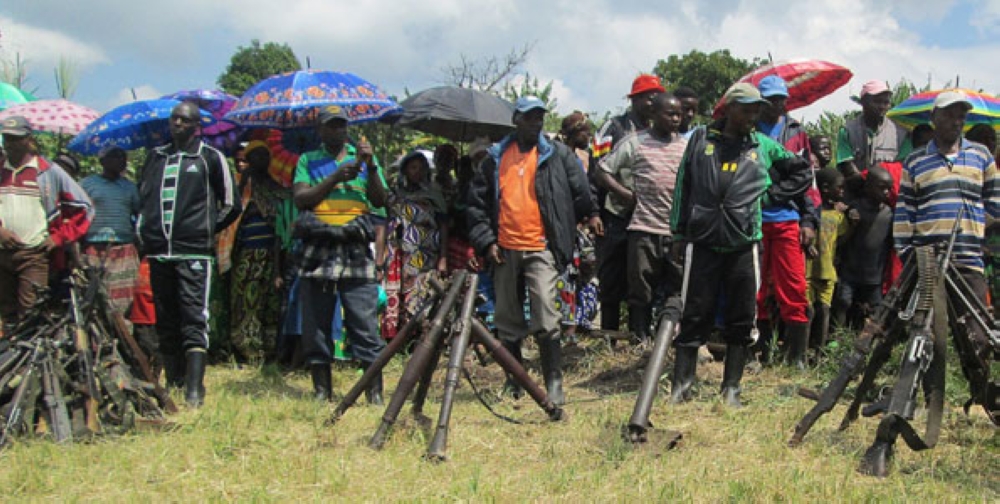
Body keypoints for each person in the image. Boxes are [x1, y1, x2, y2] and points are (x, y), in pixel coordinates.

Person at [669, 83, 811, 407]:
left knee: (741, 316)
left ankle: (731, 387)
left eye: (755, 110)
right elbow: (683, 184)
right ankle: (682, 385)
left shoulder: (763, 145)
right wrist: (678, 232)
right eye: (746, 109)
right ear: (729, 109)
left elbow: (802, 171)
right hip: (702, 241)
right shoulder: (700, 140)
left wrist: (770, 194)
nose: (752, 115)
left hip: (744, 244)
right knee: (694, 313)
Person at [467, 96, 602, 405]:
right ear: (516, 120)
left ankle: (553, 381)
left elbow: (581, 191)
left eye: (540, 116)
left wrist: (579, 221)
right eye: (529, 117)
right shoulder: (496, 157)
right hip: (504, 248)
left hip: (542, 246)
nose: (536, 122)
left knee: (546, 313)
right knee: (508, 318)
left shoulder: (557, 155)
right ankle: (515, 380)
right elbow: (476, 205)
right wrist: (487, 242)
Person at [138, 102, 241, 407]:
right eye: (174, 119)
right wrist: (147, 233)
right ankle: (175, 381)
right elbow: (144, 199)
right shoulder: (155, 158)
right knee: (166, 319)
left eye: (185, 120)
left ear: (197, 126)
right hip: (159, 253)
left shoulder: (210, 157)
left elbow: (230, 203)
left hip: (194, 252)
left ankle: (195, 389)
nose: (178, 124)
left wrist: (205, 230)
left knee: (194, 317)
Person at [292, 105, 388, 404]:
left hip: (354, 242)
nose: (338, 131)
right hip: (319, 243)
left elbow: (380, 200)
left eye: (341, 126)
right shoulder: (308, 160)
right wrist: (334, 177)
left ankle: (373, 392)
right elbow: (301, 199)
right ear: (320, 130)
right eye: (331, 126)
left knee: (363, 318)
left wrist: (370, 166)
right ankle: (322, 389)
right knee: (317, 318)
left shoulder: (362, 159)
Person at [894, 90, 999, 364]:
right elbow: (905, 213)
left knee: (977, 335)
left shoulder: (981, 155)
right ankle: (930, 397)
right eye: (950, 115)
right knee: (925, 335)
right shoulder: (916, 161)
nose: (956, 121)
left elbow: (995, 201)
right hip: (927, 261)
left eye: (961, 116)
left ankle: (983, 394)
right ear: (934, 118)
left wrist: (980, 233)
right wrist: (907, 253)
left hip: (968, 259)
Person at [594, 93, 687, 342]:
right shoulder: (635, 143)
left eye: (679, 114)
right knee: (640, 291)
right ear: (654, 115)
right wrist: (625, 194)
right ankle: (639, 339)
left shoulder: (686, 146)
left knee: (676, 289)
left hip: (675, 231)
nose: (676, 119)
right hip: (643, 228)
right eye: (670, 114)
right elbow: (602, 170)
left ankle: (669, 341)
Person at [0, 116, 93, 333]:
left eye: (15, 139)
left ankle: (28, 365)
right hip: (2, 253)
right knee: (6, 313)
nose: (9, 143)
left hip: (33, 255)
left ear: (28, 140)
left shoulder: (47, 172)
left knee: (31, 313)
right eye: (6, 138)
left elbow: (85, 208)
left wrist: (58, 237)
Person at [590, 74, 664, 337]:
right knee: (611, 274)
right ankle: (609, 337)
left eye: (657, 96)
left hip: (649, 218)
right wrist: (594, 212)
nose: (652, 101)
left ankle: (638, 336)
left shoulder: (662, 130)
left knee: (641, 278)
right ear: (635, 99)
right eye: (647, 96)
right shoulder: (614, 127)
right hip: (616, 215)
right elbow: (595, 170)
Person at [752, 75, 817, 369]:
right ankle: (761, 351)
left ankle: (797, 357)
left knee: (793, 285)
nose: (777, 104)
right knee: (757, 287)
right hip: (753, 218)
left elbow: (808, 179)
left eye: (781, 99)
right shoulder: (748, 130)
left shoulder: (796, 133)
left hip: (788, 216)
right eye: (771, 99)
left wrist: (809, 220)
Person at [229, 140, 290, 363]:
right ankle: (247, 351)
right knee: (245, 302)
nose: (258, 161)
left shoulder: (276, 188)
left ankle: (270, 350)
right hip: (245, 253)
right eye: (253, 156)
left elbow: (281, 225)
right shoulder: (239, 188)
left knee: (270, 302)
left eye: (263, 156)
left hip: (272, 254)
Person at [381, 150, 448, 340]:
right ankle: (398, 336)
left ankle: (419, 335)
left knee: (421, 291)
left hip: (426, 253)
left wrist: (443, 258)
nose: (417, 172)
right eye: (413, 168)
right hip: (400, 252)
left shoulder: (434, 194)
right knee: (399, 290)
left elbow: (443, 225)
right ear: (405, 170)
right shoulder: (395, 194)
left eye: (421, 168)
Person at [79, 146, 141, 319]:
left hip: (123, 248)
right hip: (94, 247)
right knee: (93, 296)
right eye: (115, 156)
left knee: (124, 300)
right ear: (102, 161)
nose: (120, 160)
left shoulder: (130, 187)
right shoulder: (87, 184)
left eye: (123, 157)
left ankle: (123, 339)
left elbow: (139, 213)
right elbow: (78, 213)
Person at [832, 166, 894, 330]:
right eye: (882, 188)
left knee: (876, 309)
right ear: (868, 187)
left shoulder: (889, 214)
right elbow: (841, 238)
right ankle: (837, 337)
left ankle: (869, 340)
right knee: (843, 302)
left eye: (889, 188)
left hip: (874, 275)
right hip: (850, 270)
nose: (886, 192)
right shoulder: (854, 209)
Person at [836, 80, 911, 193]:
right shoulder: (848, 131)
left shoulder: (901, 133)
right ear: (863, 102)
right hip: (857, 194)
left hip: (888, 196)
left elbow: (901, 167)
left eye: (886, 102)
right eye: (877, 101)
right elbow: (846, 165)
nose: (882, 106)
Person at [806, 168, 850, 353]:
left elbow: (842, 239)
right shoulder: (811, 213)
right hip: (807, 271)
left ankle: (819, 351)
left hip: (827, 271)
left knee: (824, 310)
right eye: (839, 188)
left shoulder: (838, 216)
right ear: (825, 188)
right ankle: (802, 349)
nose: (842, 192)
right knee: (807, 311)